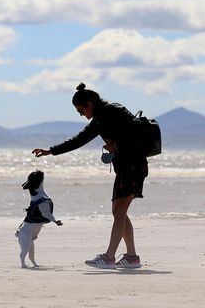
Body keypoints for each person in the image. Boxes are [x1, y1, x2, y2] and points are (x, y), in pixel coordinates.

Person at [32, 83, 147, 269]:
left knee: (119, 213)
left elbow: (136, 136)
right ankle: (132, 257)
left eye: (81, 110)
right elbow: (79, 140)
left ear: (90, 103)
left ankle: (109, 257)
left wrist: (116, 146)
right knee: (120, 213)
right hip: (126, 166)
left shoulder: (113, 111)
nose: (81, 114)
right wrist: (50, 151)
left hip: (133, 165)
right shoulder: (100, 119)